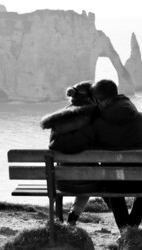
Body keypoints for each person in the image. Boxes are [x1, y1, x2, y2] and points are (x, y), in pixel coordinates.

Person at [91, 79, 142, 231]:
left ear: (99, 100)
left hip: (115, 182)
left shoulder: (98, 124)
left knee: (109, 181)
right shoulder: (140, 119)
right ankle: (131, 229)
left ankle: (126, 231)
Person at [40, 81, 99, 225]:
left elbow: (52, 146)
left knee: (82, 173)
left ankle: (66, 221)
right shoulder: (95, 118)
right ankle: (73, 217)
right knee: (93, 178)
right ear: (92, 97)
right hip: (88, 182)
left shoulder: (58, 119)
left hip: (61, 182)